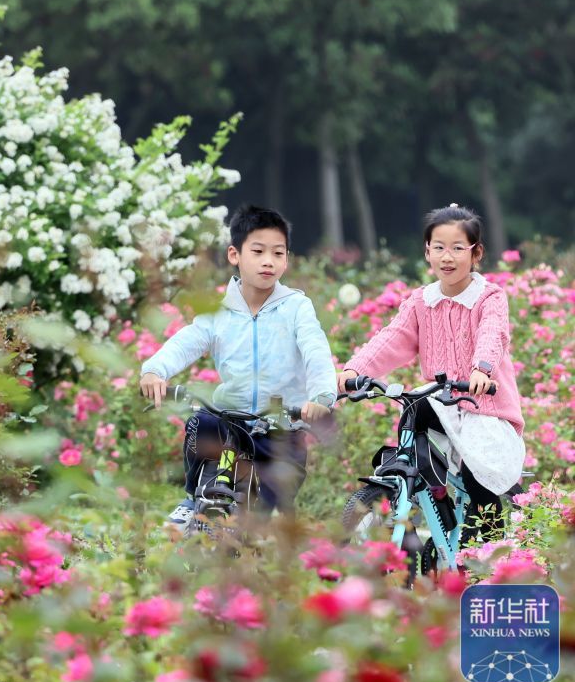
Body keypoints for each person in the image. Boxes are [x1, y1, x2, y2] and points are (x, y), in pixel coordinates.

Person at [139, 204, 337, 530]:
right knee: (204, 426)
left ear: (286, 259)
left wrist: (322, 397)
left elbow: (315, 349)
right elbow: (186, 341)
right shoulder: (219, 313)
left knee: (253, 521)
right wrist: (154, 370)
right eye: (258, 251)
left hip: (281, 432)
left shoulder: (297, 308)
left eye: (278, 253)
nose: (268, 261)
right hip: (231, 435)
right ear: (235, 254)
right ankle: (194, 499)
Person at [338, 204, 525, 541]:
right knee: (414, 410)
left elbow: (492, 334)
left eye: (457, 248)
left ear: (476, 252)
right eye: (438, 247)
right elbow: (393, 338)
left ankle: (485, 546)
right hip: (443, 399)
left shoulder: (489, 297)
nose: (447, 257)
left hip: (485, 406)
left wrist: (480, 369)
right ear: (427, 252)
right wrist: (355, 369)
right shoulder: (421, 301)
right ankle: (421, 488)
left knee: (478, 478)